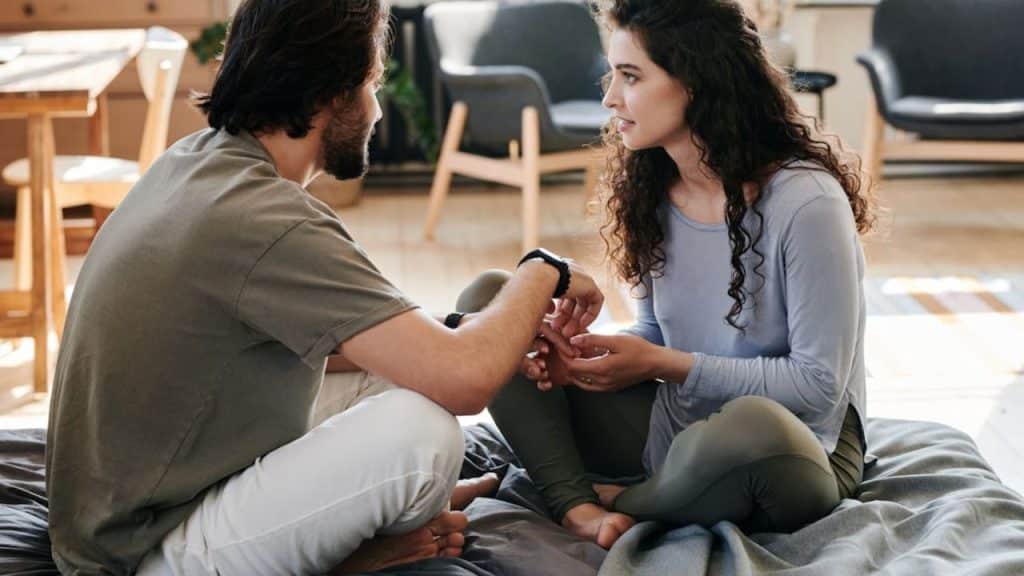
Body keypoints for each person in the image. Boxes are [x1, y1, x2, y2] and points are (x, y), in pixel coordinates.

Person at [44, 1, 604, 574]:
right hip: (142, 552)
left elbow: (353, 348)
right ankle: (358, 556)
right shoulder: (268, 219)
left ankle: (373, 532)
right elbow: (466, 384)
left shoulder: (197, 162)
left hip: (124, 507)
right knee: (423, 432)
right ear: (329, 94)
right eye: (372, 85)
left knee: (400, 377)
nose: (378, 108)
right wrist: (542, 268)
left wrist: (471, 332)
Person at [488, 0, 876, 549]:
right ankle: (578, 506)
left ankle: (622, 503)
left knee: (751, 426)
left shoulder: (807, 202)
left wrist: (665, 364)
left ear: (695, 81)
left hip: (796, 450)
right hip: (675, 430)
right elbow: (658, 335)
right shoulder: (653, 186)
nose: (610, 98)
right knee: (497, 304)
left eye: (631, 76)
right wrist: (586, 357)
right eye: (611, 75)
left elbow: (816, 387)